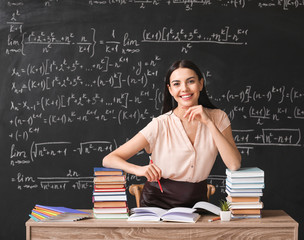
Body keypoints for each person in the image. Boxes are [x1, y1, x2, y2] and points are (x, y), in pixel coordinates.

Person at [103, 60, 241, 208]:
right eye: (176, 84)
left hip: (198, 204)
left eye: (191, 81)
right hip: (156, 204)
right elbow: (109, 159)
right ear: (170, 89)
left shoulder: (218, 118)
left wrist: (209, 123)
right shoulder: (160, 124)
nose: (184, 89)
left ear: (201, 84)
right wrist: (140, 170)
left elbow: (234, 164)